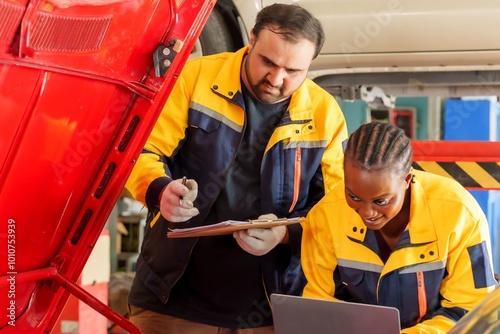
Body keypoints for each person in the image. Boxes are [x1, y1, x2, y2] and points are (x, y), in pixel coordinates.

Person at [124, 3, 348, 333]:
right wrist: (160, 189)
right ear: (252, 39)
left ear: (310, 64)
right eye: (268, 62)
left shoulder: (325, 115)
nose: (276, 78)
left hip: (270, 311)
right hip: (171, 299)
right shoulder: (196, 78)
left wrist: (285, 234)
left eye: (293, 71)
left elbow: (339, 210)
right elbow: (141, 151)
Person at [301, 121, 498, 333]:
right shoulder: (326, 215)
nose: (367, 212)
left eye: (381, 201)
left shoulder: (460, 214)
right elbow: (319, 302)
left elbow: (470, 310)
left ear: (407, 179)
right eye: (354, 196)